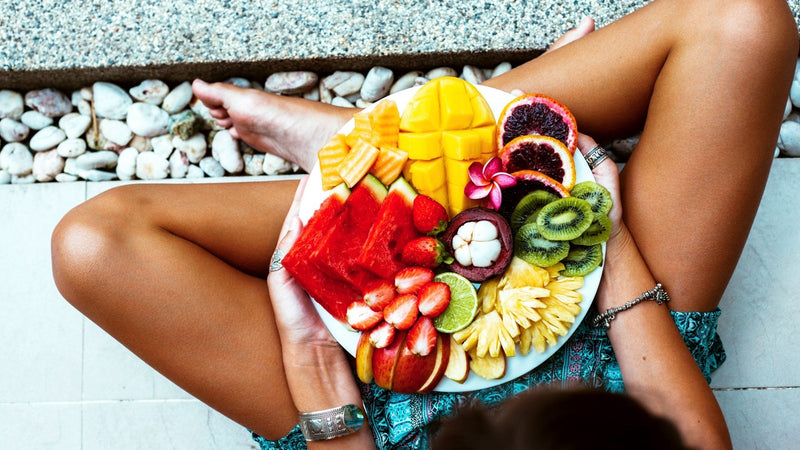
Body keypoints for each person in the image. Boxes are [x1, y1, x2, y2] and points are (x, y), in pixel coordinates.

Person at [49, 0, 797, 448]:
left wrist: (314, 360)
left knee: (94, 246)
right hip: (625, 371)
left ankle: (369, 156)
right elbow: (691, 437)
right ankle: (392, 148)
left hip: (380, 421)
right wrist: (597, 224)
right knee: (743, 22)